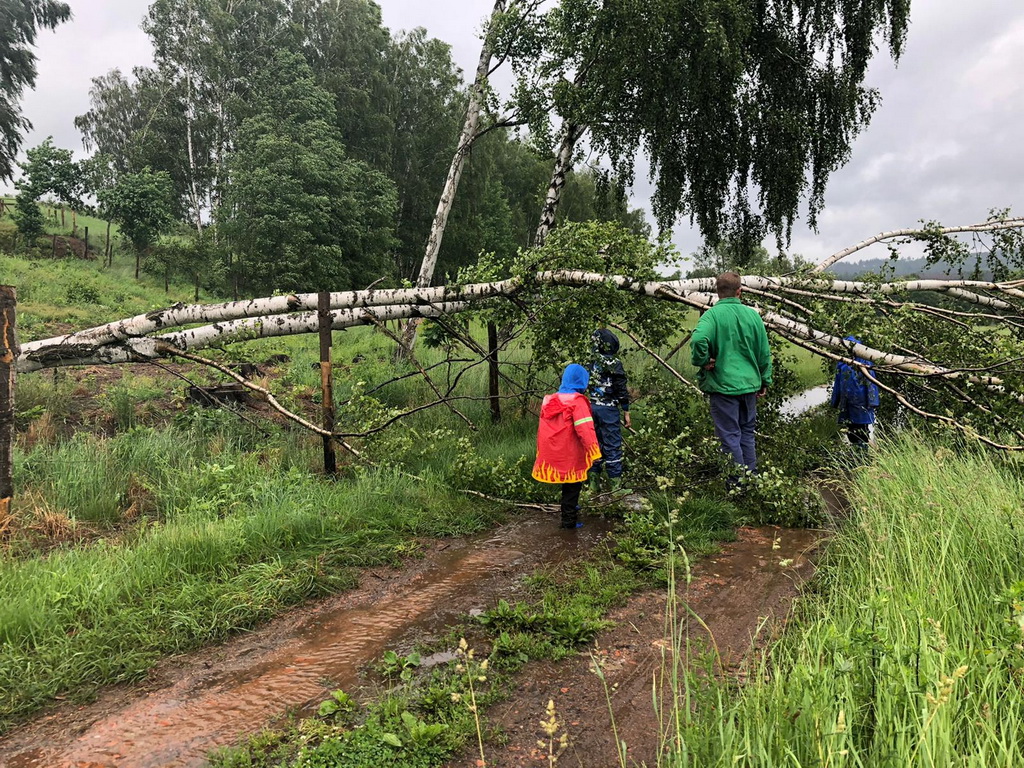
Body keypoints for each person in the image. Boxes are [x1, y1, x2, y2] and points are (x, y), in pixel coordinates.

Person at [690, 272, 773, 484]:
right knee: (747, 434)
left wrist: (703, 361)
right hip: (749, 386)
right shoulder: (753, 316)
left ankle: (736, 485)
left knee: (729, 436)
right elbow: (764, 353)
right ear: (739, 291)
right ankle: (751, 481)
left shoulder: (711, 316)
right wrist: (765, 380)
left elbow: (698, 339)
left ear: (717, 292)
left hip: (723, 387)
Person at [532, 364, 602, 529]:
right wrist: (595, 453)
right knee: (573, 486)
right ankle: (568, 524)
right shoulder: (577, 402)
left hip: (551, 453)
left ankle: (569, 512)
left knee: (568, 485)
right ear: (581, 381)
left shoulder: (550, 400)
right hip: (570, 453)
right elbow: (586, 430)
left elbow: (542, 430)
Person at [586, 329, 632, 494]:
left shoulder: (589, 362)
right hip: (609, 410)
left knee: (594, 444)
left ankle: (593, 485)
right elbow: (620, 388)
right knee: (612, 445)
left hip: (591, 408)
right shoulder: (614, 363)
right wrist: (626, 410)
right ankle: (615, 487)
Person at [831, 336, 880, 451]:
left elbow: (872, 383)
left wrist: (873, 402)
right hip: (848, 404)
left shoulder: (864, 362)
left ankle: (863, 453)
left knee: (862, 430)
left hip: (862, 404)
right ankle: (857, 452)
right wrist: (835, 402)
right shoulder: (842, 363)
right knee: (851, 430)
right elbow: (837, 384)